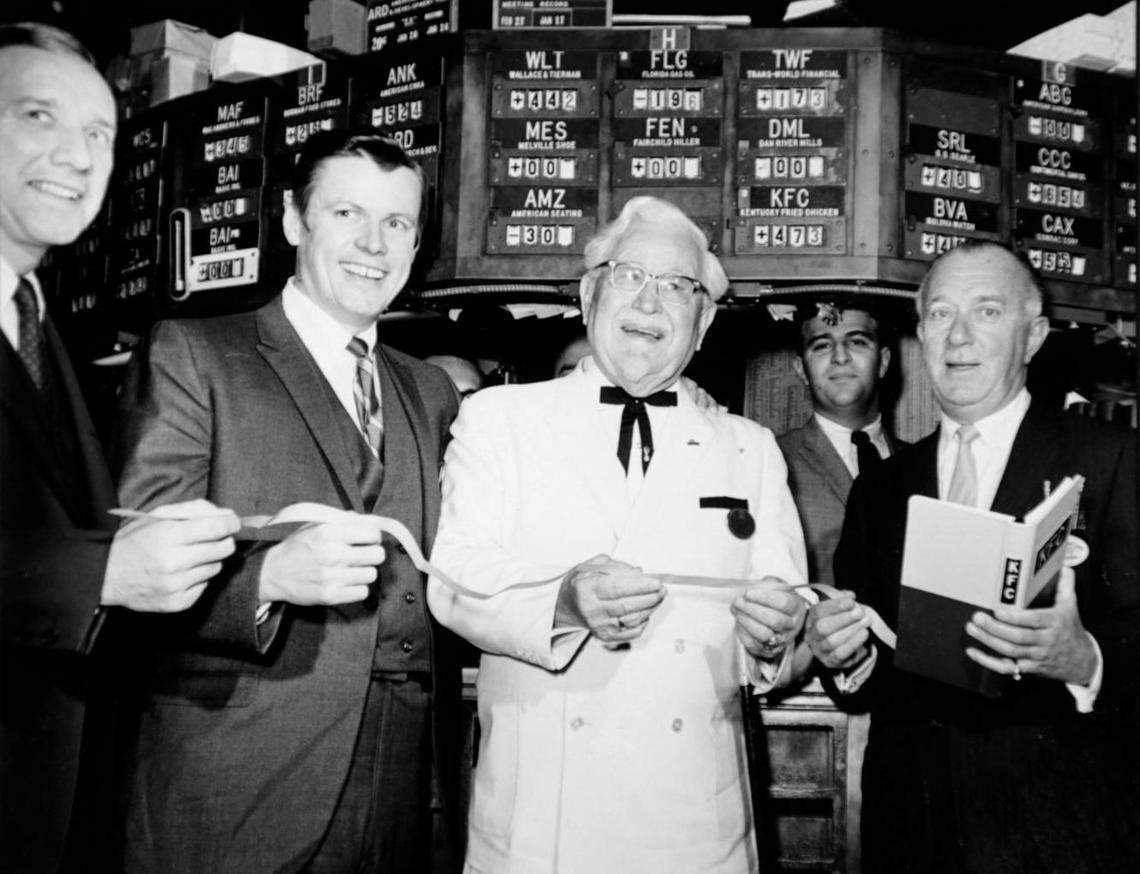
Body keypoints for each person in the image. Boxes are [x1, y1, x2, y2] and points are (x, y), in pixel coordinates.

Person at [112, 130, 463, 873]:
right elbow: (127, 583)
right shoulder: (194, 354)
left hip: (404, 786)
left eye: (397, 223)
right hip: (241, 779)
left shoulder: (431, 390)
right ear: (293, 220)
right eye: (346, 214)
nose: (373, 243)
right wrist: (266, 578)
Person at [428, 196, 812, 874]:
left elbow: (788, 621)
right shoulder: (499, 421)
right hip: (542, 826)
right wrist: (562, 603)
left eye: (677, 286)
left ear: (703, 323)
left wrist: (776, 638)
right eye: (630, 275)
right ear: (588, 295)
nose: (649, 302)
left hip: (697, 831)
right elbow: (454, 581)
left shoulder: (750, 449)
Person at [805, 241, 1140, 874]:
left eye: (987, 311)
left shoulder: (1113, 457)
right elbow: (868, 666)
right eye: (940, 314)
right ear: (921, 334)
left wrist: (1086, 657)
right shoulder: (880, 486)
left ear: (1032, 336)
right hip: (911, 831)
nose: (958, 336)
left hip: (1059, 833)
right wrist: (843, 656)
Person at [0, 23, 239, 873]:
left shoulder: (35, 316)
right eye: (38, 115)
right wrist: (99, 573)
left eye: (99, 134)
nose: (76, 156)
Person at [778, 300, 904, 586]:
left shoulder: (924, 463)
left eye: (857, 342)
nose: (840, 357)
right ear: (801, 369)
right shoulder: (772, 459)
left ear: (883, 362)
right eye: (822, 345)